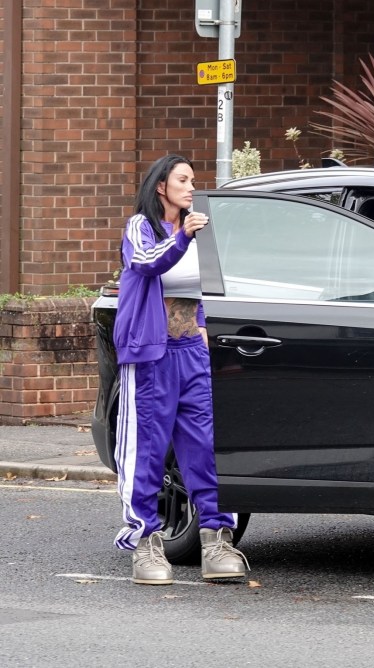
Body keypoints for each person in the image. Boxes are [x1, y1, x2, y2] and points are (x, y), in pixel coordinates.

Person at [113, 154, 249, 585]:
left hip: (192, 351)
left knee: (202, 447)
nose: (192, 187)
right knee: (148, 452)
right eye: (183, 179)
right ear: (161, 187)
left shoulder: (197, 230)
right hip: (152, 354)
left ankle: (216, 540)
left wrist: (207, 329)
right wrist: (183, 237)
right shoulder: (142, 228)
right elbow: (148, 263)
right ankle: (145, 544)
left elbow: (206, 288)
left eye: (194, 180)